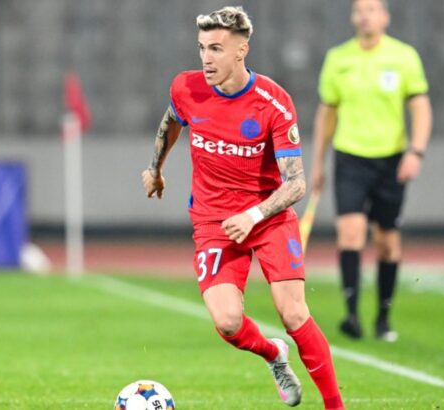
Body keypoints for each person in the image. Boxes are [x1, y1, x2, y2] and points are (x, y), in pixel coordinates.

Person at [142, 6, 344, 409]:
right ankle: (273, 354)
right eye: (202, 48)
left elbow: (296, 183)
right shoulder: (186, 87)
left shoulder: (273, 103)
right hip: (213, 221)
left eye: (216, 49)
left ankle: (335, 406)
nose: (206, 58)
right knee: (228, 322)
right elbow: (171, 122)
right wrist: (155, 169)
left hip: (267, 217)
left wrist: (253, 215)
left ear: (241, 50)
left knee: (293, 313)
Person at [310, 0, 433, 342]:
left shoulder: (403, 56)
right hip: (350, 157)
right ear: (353, 17)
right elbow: (327, 114)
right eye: (359, 10)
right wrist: (318, 163)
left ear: (385, 17)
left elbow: (421, 107)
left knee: (387, 242)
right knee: (350, 232)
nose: (364, 16)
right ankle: (351, 315)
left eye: (371, 9)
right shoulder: (338, 59)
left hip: (390, 159)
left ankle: (383, 317)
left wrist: (416, 152)